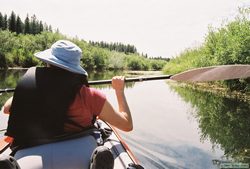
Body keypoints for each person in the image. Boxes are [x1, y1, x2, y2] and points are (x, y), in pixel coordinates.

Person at [2, 40, 133, 168]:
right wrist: (119, 90)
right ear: (74, 68)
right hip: (80, 150)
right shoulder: (90, 96)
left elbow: (6, 109)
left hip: (30, 152)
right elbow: (126, 124)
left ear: (48, 62)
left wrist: (26, 91)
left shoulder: (31, 88)